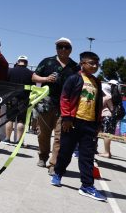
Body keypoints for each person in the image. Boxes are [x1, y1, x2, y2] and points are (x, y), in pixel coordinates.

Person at [50, 51, 107, 202]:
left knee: (87, 156)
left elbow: (98, 104)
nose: (95, 66)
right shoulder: (74, 78)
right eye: (91, 63)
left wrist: (97, 124)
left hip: (89, 125)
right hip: (72, 122)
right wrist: (67, 118)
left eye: (97, 64)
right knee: (66, 152)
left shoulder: (97, 82)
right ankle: (58, 174)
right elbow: (65, 98)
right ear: (82, 63)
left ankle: (87, 186)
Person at [33, 37, 80, 172]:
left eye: (66, 47)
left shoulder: (75, 67)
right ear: (56, 48)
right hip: (46, 102)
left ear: (71, 50)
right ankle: (42, 156)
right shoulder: (47, 61)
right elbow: (34, 76)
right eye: (60, 47)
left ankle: (53, 164)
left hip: (65, 106)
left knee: (60, 136)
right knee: (43, 133)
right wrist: (46, 79)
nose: (63, 49)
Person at [5, 55, 34, 145]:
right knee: (21, 120)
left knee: (10, 119)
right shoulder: (30, 73)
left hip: (11, 98)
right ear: (26, 63)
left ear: (17, 62)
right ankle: (18, 140)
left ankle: (7, 138)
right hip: (24, 99)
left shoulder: (10, 71)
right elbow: (33, 86)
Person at [98, 79, 122, 158]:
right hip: (112, 118)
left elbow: (110, 108)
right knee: (109, 135)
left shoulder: (108, 97)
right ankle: (108, 151)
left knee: (106, 135)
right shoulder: (116, 96)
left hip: (107, 116)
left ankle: (106, 152)